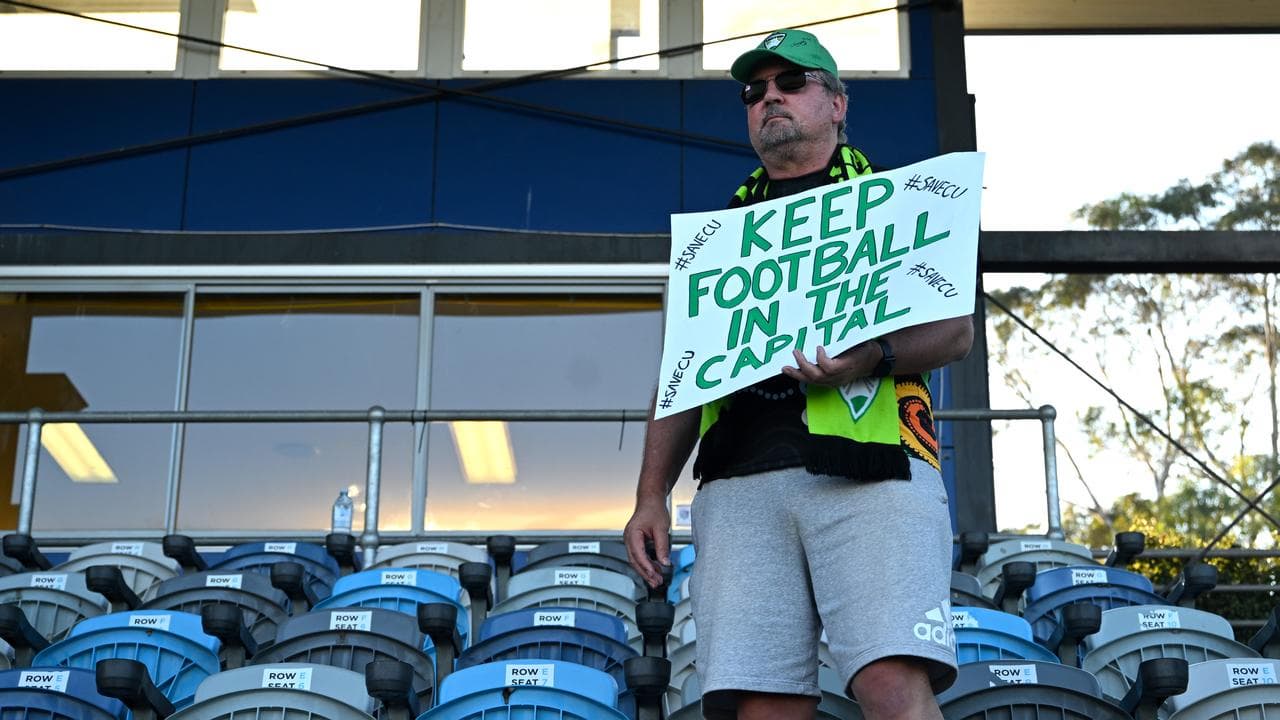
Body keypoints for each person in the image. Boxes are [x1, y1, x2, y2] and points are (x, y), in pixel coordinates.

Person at [623, 29, 974, 720]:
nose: (770, 98)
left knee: (889, 681)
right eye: (755, 92)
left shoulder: (900, 204)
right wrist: (649, 495)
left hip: (873, 468)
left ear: (838, 104)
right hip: (738, 480)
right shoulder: (715, 238)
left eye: (792, 83)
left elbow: (955, 332)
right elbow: (681, 373)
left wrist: (870, 357)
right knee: (760, 705)